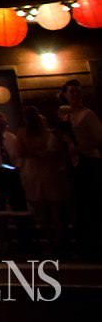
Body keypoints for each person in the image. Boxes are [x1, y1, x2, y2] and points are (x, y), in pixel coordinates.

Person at [19, 107, 70, 251]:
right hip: (48, 171)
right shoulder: (47, 134)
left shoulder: (23, 134)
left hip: (33, 172)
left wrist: (32, 153)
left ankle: (49, 241)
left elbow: (19, 152)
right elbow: (53, 150)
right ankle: (61, 241)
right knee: (55, 209)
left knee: (41, 211)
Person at [61, 79, 102, 253]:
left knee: (92, 201)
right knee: (80, 203)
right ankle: (85, 241)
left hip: (89, 160)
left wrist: (81, 147)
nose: (75, 95)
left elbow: (99, 139)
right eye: (72, 92)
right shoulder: (66, 115)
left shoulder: (87, 114)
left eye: (78, 91)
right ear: (65, 94)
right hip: (73, 163)